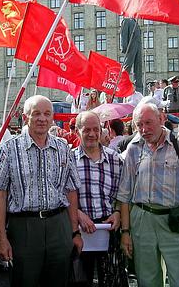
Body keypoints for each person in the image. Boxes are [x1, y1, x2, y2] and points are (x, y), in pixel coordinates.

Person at [0, 95, 82, 287]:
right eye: (36, 113)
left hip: (59, 226)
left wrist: (74, 232)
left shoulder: (63, 148)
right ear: (25, 117)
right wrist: (1, 238)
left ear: (52, 118)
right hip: (23, 228)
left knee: (59, 281)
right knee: (24, 281)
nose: (42, 118)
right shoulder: (9, 149)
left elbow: (71, 191)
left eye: (47, 114)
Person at [118, 102, 179, 287]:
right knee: (147, 279)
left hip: (175, 221)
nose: (144, 129)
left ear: (161, 119)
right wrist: (126, 232)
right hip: (142, 221)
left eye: (148, 123)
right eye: (139, 125)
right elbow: (124, 195)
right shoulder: (133, 148)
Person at [73, 111, 123, 286]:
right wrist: (78, 214)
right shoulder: (69, 159)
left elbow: (122, 192)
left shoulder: (114, 158)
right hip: (79, 230)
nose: (92, 134)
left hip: (108, 229)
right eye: (86, 130)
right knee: (80, 280)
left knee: (111, 281)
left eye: (96, 129)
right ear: (77, 131)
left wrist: (117, 212)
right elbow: (62, 195)